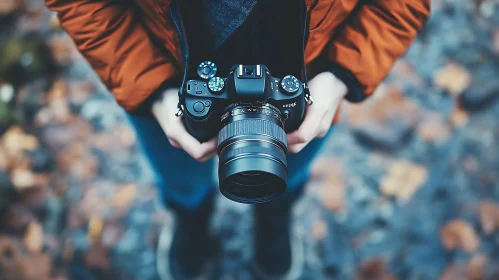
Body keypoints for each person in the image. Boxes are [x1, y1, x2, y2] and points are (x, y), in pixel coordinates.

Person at [45, 0, 430, 278]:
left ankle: (274, 218)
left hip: (311, 82)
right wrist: (153, 90)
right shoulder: (162, 93)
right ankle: (190, 220)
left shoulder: (317, 91)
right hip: (169, 78)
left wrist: (339, 77)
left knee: (286, 172)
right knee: (179, 175)